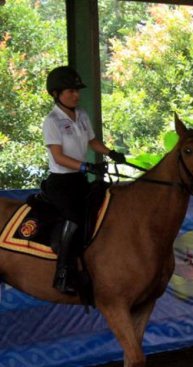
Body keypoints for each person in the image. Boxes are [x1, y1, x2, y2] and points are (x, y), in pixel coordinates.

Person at [42, 66, 126, 294]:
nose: (76, 95)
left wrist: (110, 152)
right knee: (76, 218)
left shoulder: (82, 115)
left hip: (79, 179)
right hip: (61, 183)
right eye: (71, 91)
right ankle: (62, 274)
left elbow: (92, 142)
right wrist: (85, 165)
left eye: (77, 91)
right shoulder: (52, 121)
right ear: (56, 93)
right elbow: (58, 157)